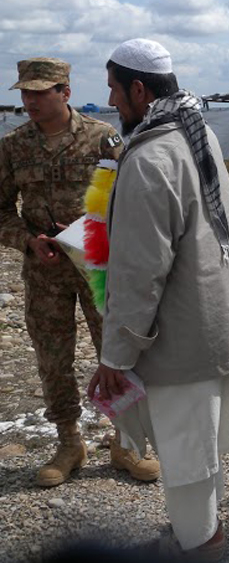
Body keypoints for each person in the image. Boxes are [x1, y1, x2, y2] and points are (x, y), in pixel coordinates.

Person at [87, 38, 229, 559]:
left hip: (180, 345)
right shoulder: (198, 132)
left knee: (187, 460)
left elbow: (139, 273)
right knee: (203, 452)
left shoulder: (150, 157)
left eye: (115, 91)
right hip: (217, 323)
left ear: (138, 89)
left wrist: (116, 356)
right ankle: (204, 536)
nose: (113, 103)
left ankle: (201, 549)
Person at [0, 57, 162, 487]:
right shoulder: (13, 145)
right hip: (44, 269)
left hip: (98, 265)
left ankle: (125, 442)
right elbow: (1, 212)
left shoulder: (102, 138)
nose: (30, 100)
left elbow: (131, 197)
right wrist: (28, 241)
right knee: (54, 359)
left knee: (116, 353)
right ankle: (69, 443)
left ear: (64, 93)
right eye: (25, 92)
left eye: (40, 92)